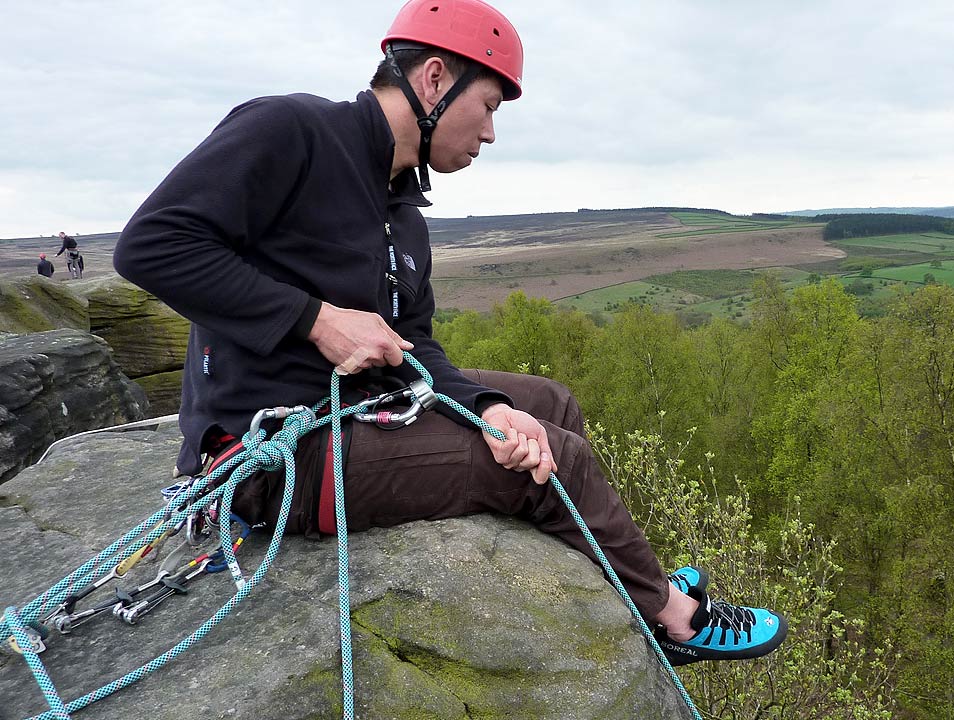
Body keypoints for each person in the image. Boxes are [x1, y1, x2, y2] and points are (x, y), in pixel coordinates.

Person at [114, 0, 785, 668]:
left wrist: (489, 409)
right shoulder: (291, 130)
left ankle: (615, 574)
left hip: (358, 406)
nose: (490, 133)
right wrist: (315, 319)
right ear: (435, 79)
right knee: (561, 457)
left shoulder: (401, 209)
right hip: (278, 453)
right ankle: (673, 619)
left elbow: (418, 346)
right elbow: (152, 245)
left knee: (546, 405)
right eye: (489, 105)